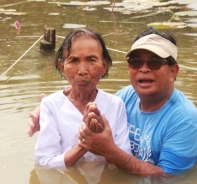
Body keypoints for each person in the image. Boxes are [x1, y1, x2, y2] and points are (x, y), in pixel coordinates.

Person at [28, 27, 197, 176]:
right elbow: (85, 97)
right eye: (135, 62)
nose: (144, 69)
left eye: (154, 63)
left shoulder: (186, 119)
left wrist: (107, 150)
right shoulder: (125, 98)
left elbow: (168, 178)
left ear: (173, 72)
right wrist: (45, 107)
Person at [33, 28, 131, 169]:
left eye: (91, 60)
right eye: (73, 60)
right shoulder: (51, 105)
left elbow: (124, 159)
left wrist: (105, 145)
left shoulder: (115, 105)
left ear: (104, 66)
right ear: (62, 66)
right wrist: (84, 144)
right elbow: (43, 163)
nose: (82, 70)